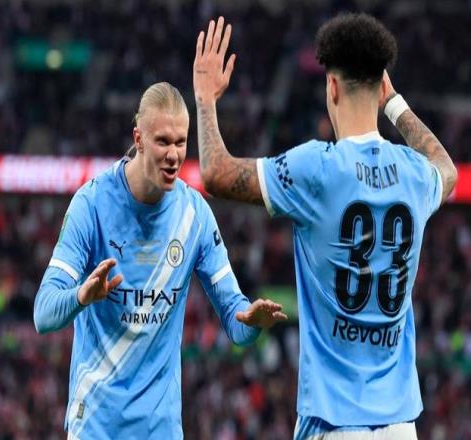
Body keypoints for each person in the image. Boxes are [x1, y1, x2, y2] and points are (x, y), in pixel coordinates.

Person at [193, 14, 457, 440]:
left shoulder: (317, 168)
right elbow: (447, 168)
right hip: (400, 425)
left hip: (334, 422)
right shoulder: (415, 173)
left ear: (331, 86)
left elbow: (216, 173)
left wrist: (205, 99)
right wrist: (395, 104)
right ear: (380, 87)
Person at [33, 81, 287, 439]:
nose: (173, 154)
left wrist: (252, 321)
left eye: (180, 142)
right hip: (95, 425)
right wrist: (80, 297)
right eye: (163, 141)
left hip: (160, 429)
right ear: (138, 139)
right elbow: (43, 314)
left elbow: (236, 321)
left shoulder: (194, 215)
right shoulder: (91, 205)